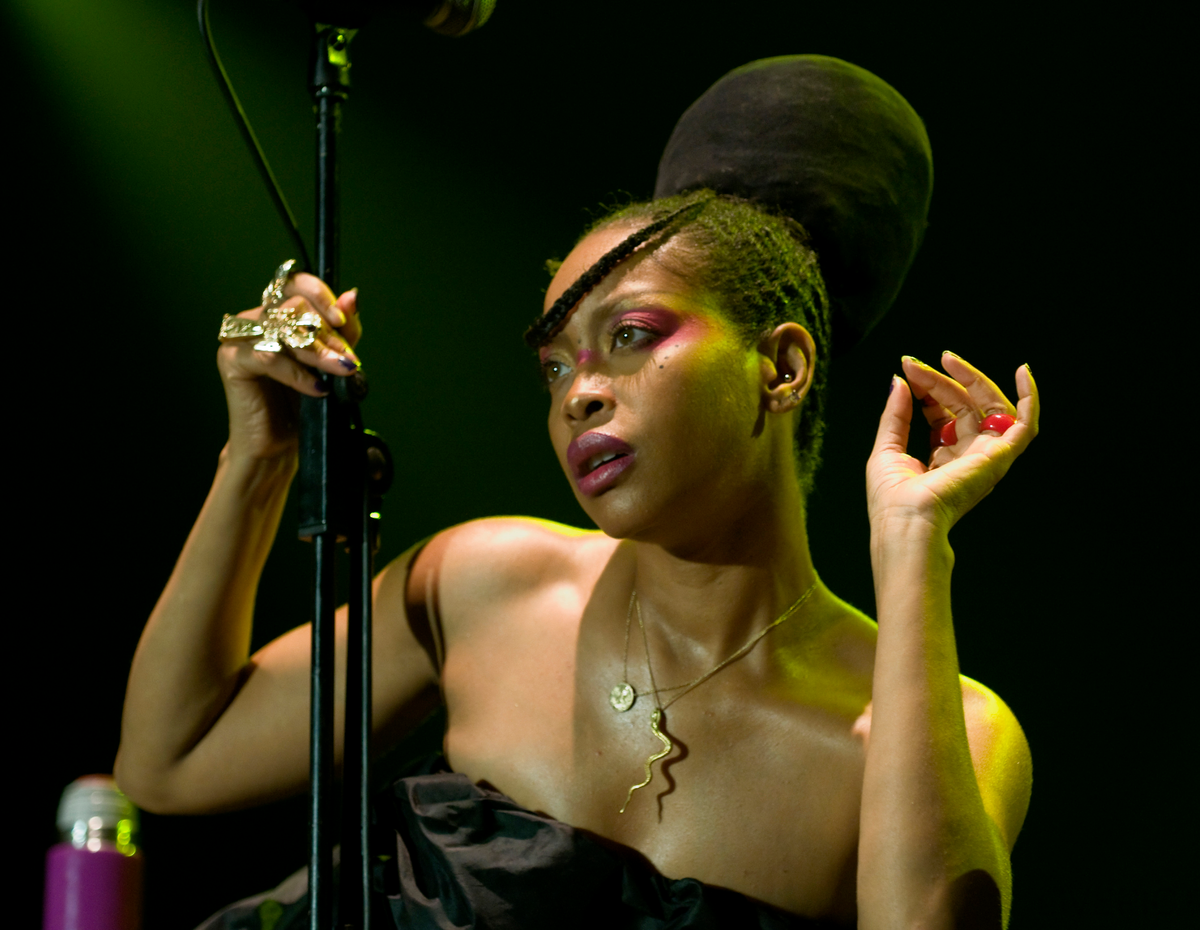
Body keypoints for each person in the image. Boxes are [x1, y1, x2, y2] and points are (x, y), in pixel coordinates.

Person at [115, 57, 1038, 928]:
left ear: (782, 366)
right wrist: (260, 455)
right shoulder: (484, 586)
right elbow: (170, 761)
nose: (578, 395)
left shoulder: (951, 730)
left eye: (631, 334)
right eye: (555, 367)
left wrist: (914, 548)